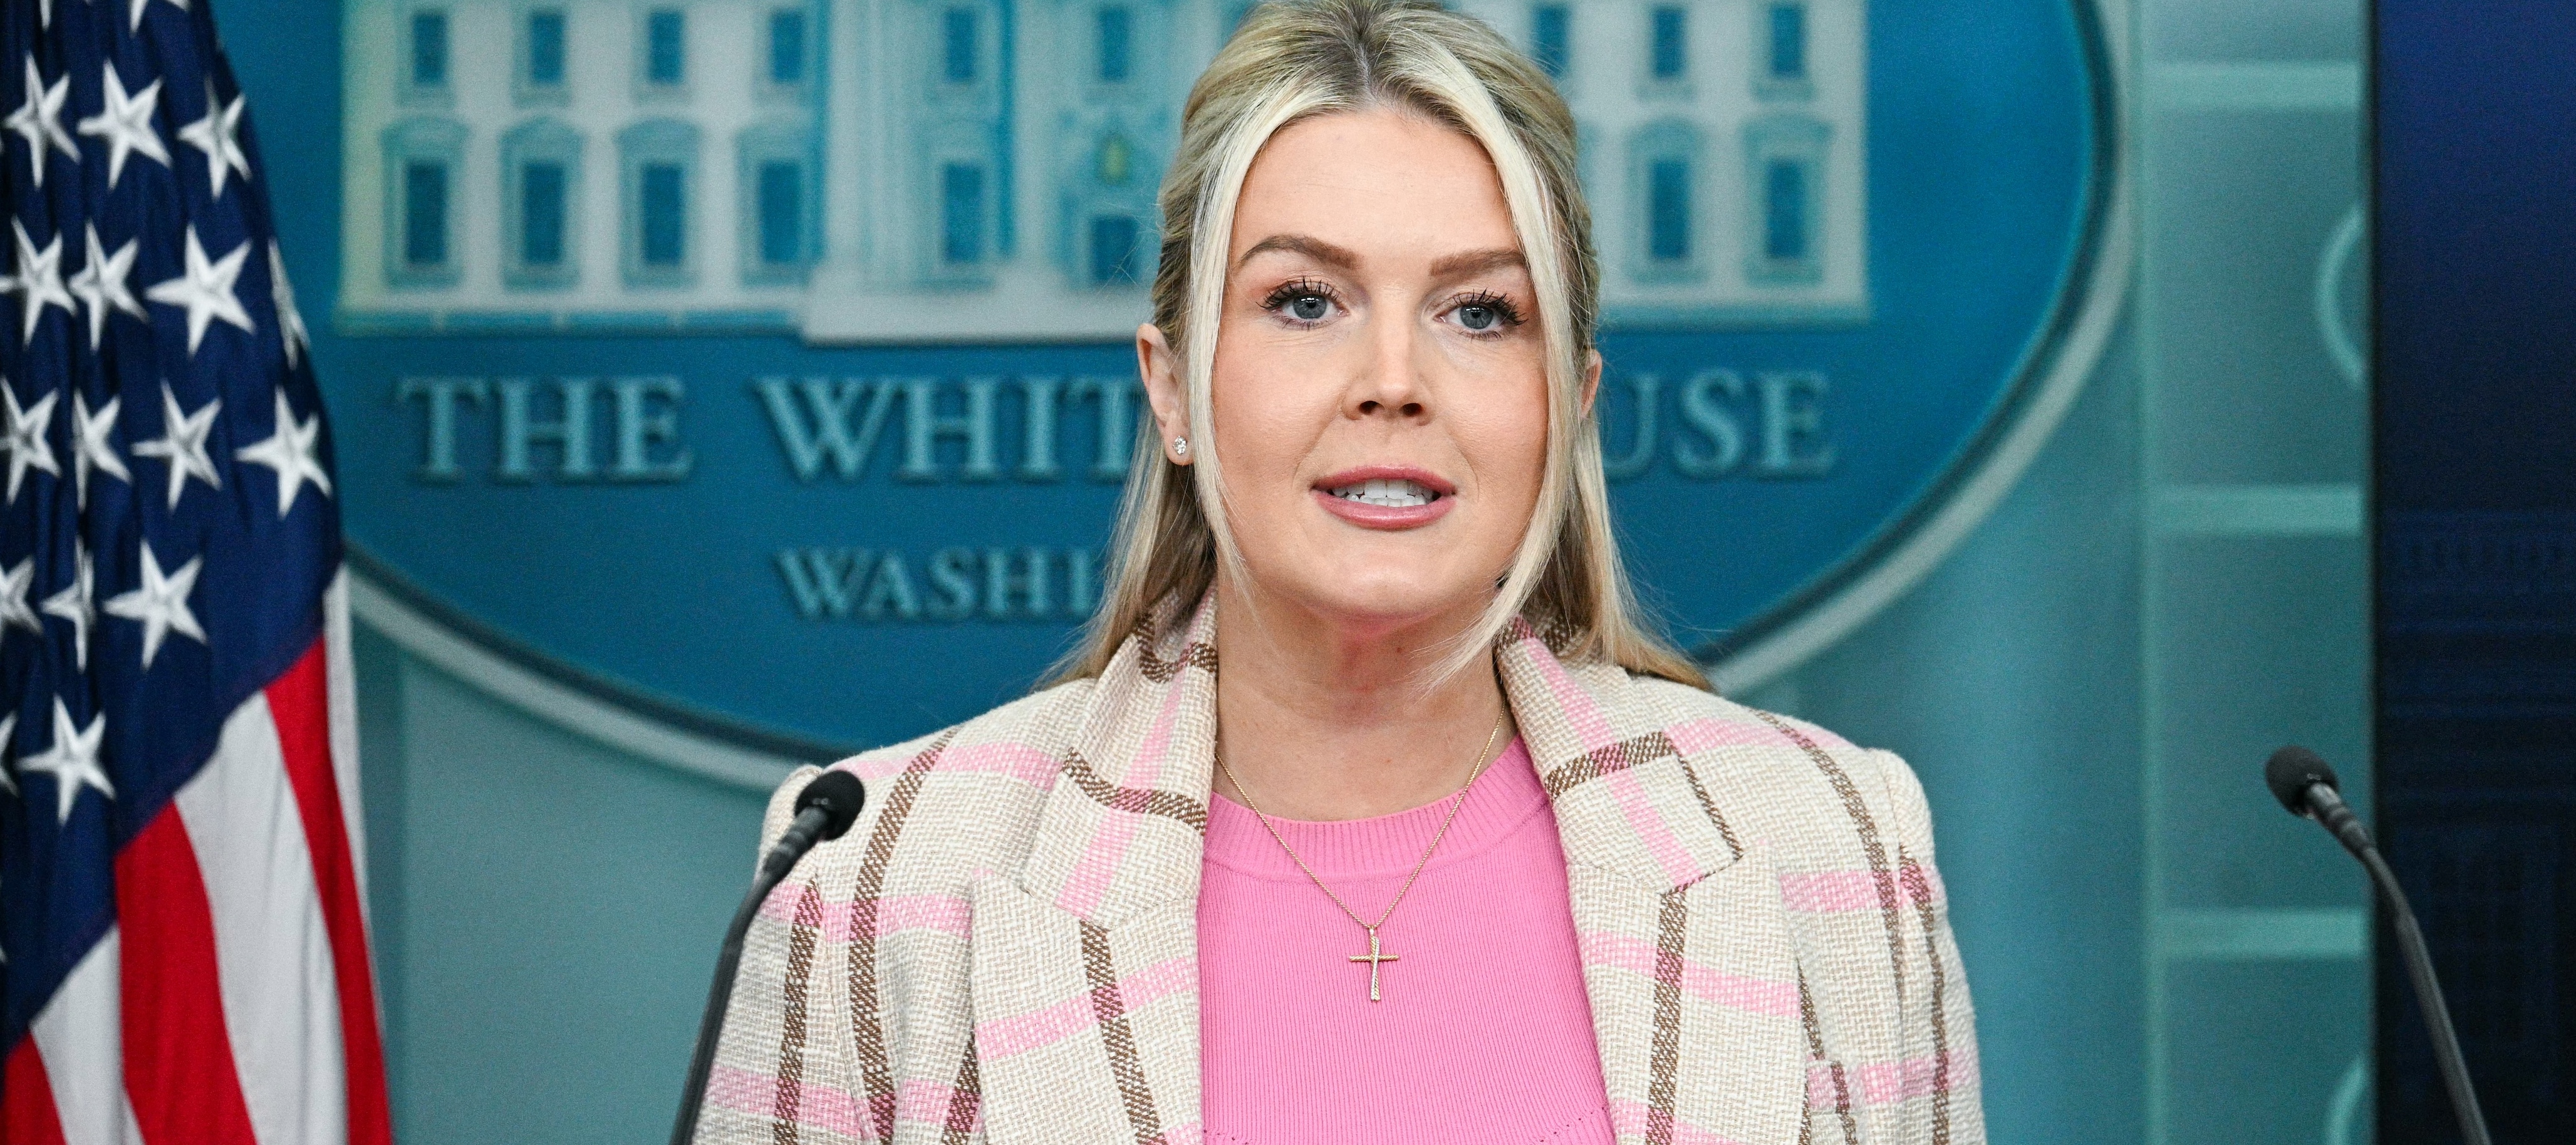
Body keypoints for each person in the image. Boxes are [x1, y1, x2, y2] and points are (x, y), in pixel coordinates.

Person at [695, 2, 1978, 1142]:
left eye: (1480, 312)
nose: (1392, 381)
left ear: (1567, 407)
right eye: (1305, 300)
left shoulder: (1834, 843)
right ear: (1173, 389)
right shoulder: (876, 879)